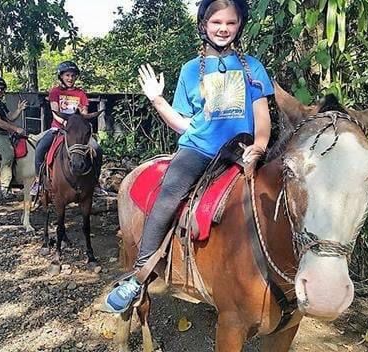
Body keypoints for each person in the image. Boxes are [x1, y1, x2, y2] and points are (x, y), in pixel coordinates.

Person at [103, 0, 274, 313]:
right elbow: (184, 123)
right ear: (204, 25)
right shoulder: (191, 70)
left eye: (231, 23)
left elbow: (261, 115)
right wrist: (157, 101)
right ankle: (139, 275)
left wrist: (260, 146)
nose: (223, 29)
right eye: (216, 22)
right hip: (198, 149)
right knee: (167, 197)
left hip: (242, 150)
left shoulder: (253, 66)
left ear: (239, 26)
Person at [31, 60, 105, 196]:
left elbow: (84, 113)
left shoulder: (81, 94)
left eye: (73, 75)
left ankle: (95, 183)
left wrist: (78, 124)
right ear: (61, 76)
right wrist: (67, 125)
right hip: (58, 129)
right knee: (40, 148)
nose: (70, 78)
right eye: (67, 75)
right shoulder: (55, 91)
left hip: (77, 132)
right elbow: (55, 113)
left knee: (97, 149)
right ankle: (38, 181)